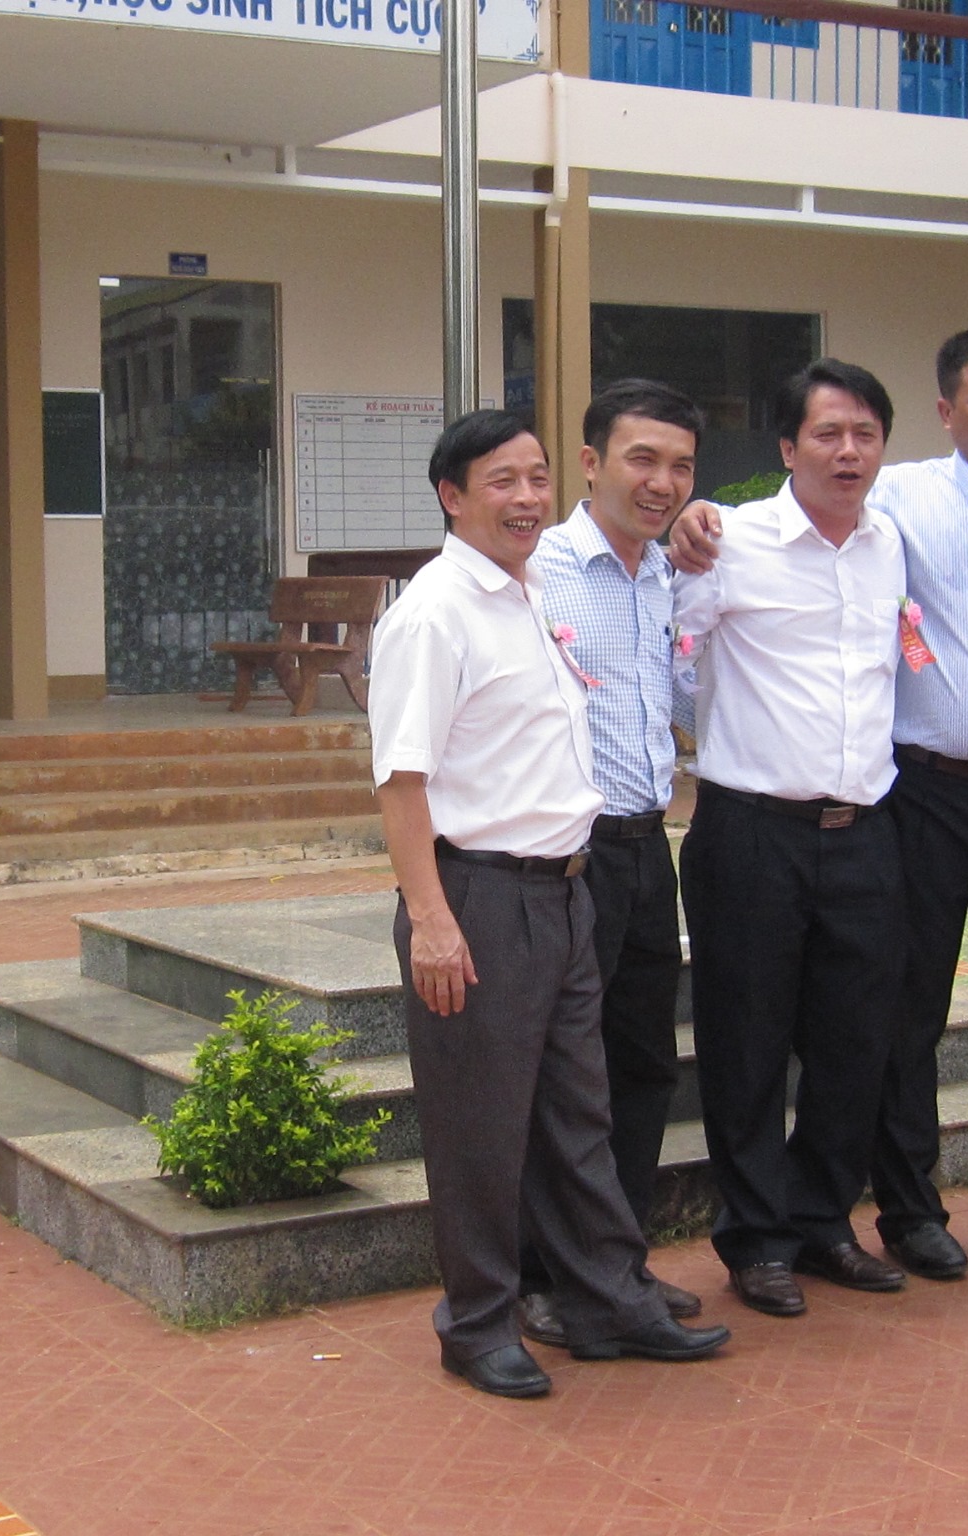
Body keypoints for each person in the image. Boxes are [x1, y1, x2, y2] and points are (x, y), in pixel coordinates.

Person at [671, 326, 968, 1279]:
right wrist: (693, 520)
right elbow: (694, 627)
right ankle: (896, 1213)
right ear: (946, 410)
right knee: (885, 1023)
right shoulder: (875, 506)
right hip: (909, 798)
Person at [368, 408, 730, 1399]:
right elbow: (401, 782)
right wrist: (431, 920)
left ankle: (608, 1299)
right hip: (480, 898)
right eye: (503, 482)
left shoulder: (528, 593)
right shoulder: (434, 613)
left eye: (536, 479)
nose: (527, 498)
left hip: (564, 893)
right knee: (480, 1131)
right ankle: (477, 1323)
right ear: (452, 497)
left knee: (579, 1115)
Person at [671, 360, 912, 1319]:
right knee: (747, 1043)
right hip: (752, 833)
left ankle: (822, 1223)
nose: (848, 452)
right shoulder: (729, 543)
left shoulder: (892, 544)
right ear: (787, 447)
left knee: (856, 1042)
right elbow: (668, 650)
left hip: (866, 833)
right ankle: (756, 1239)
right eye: (827, 434)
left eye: (865, 434)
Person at [518, 379, 709, 1348]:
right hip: (564, 859)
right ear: (590, 463)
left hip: (644, 849)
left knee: (640, 1066)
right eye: (642, 459)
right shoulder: (537, 571)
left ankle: (617, 1260)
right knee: (563, 1075)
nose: (661, 482)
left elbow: (684, 697)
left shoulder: (669, 575)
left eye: (679, 466)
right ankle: (544, 1277)